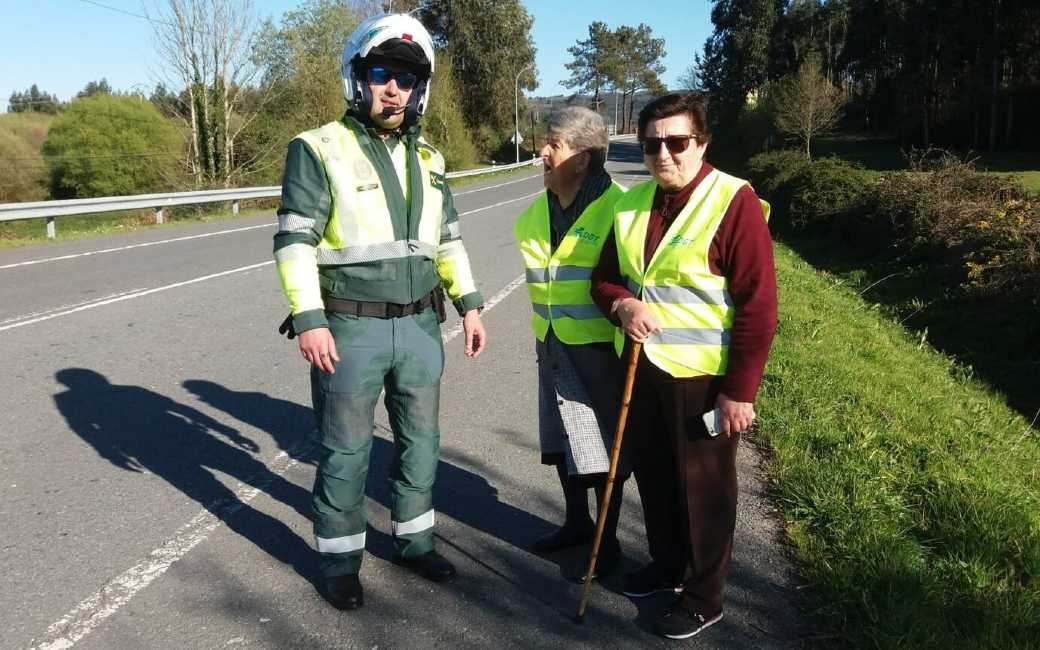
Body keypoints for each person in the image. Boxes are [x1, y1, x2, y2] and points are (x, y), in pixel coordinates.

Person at [273, 13, 486, 612]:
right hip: (350, 327)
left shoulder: (433, 160)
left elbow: (448, 242)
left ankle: (415, 543)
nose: (394, 87)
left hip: (421, 324)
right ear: (359, 77)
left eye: (408, 77)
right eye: (382, 72)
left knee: (422, 441)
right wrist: (309, 316)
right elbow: (294, 242)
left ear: (422, 88)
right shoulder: (318, 148)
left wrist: (469, 306)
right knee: (345, 449)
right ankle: (339, 560)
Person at [591, 92, 777, 640]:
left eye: (677, 143)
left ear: (702, 143)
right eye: (653, 145)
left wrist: (739, 392)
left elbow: (759, 305)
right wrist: (621, 304)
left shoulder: (733, 200)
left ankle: (703, 596)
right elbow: (602, 281)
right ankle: (667, 567)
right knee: (655, 478)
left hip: (704, 378)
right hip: (642, 371)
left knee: (705, 491)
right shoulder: (629, 204)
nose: (664, 155)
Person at [513, 107, 628, 579]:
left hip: (602, 349)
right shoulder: (538, 210)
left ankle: (608, 542)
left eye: (553, 144)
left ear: (582, 158)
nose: (542, 150)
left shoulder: (621, 209)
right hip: (552, 341)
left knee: (601, 446)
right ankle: (577, 523)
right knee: (561, 439)